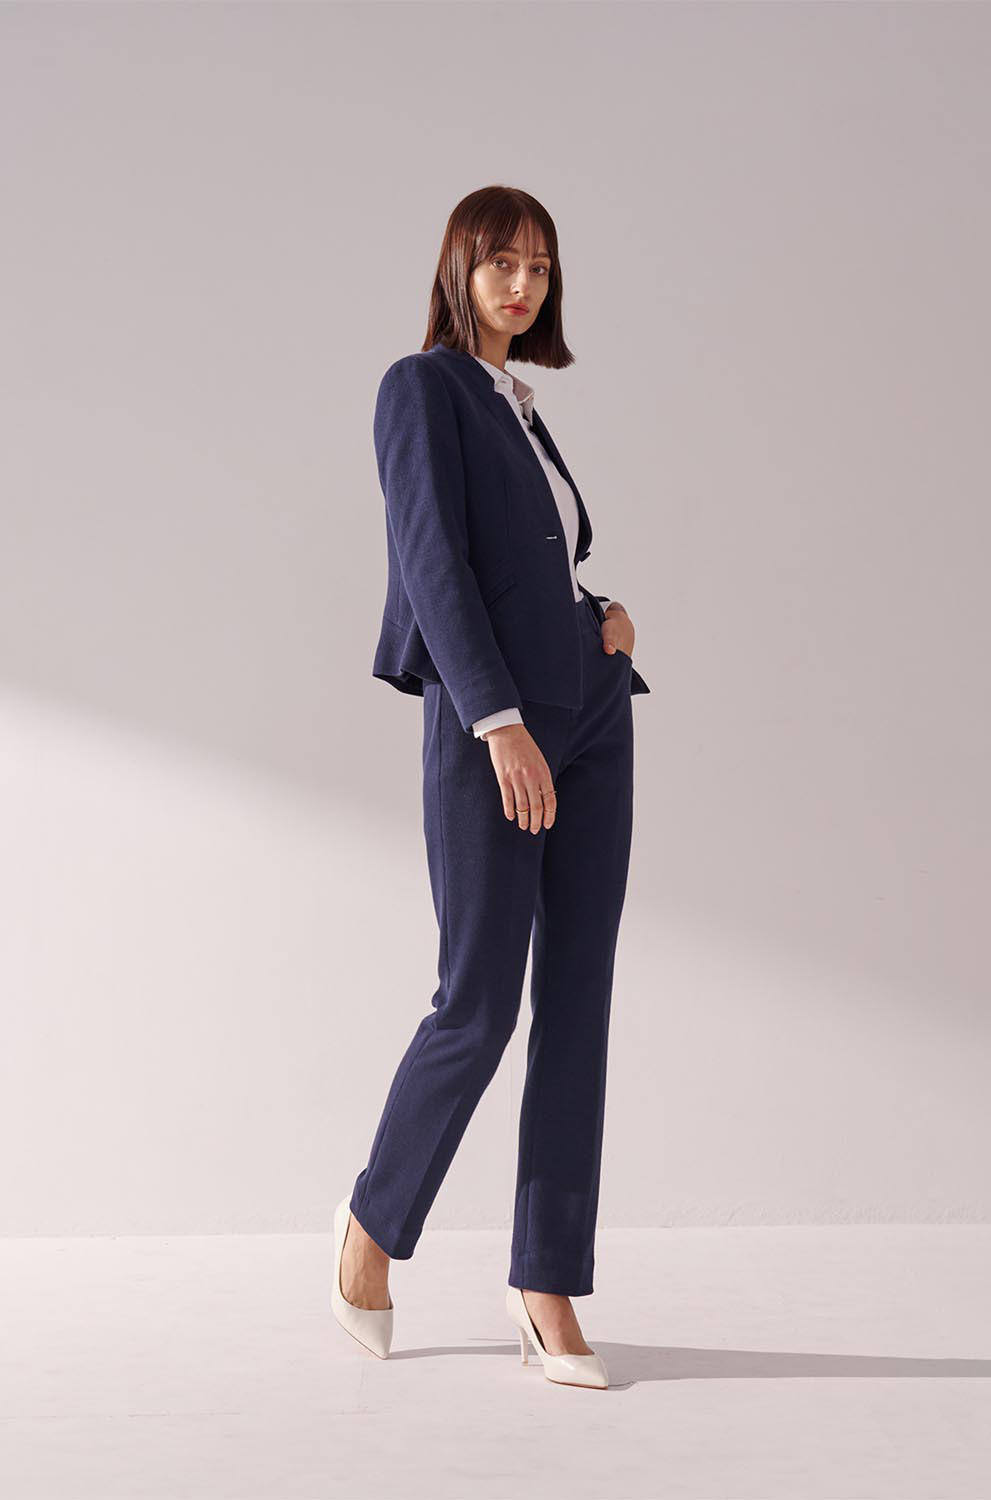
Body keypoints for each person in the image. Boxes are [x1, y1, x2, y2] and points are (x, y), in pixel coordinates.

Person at [331, 185, 650, 1389]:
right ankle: (372, 1228)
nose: (522, 284)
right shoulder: (421, 388)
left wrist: (601, 616)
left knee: (578, 1000)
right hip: (497, 726)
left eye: (540, 266)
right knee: (478, 1001)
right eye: (501, 261)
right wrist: (497, 721)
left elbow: (533, 563)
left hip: (594, 709)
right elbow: (433, 559)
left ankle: (545, 1283)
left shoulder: (521, 405)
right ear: (458, 269)